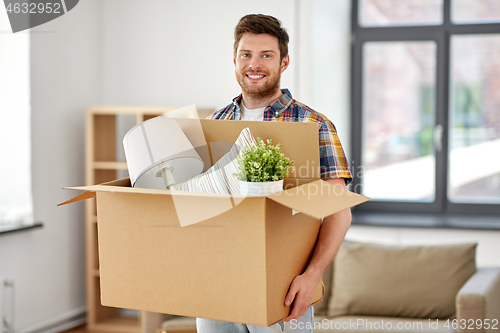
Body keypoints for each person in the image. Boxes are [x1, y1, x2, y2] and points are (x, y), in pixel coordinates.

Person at [197, 14, 353, 333]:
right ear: (235, 60)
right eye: (246, 54)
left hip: (282, 290)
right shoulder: (217, 121)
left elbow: (339, 211)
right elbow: (203, 201)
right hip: (216, 282)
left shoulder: (314, 125)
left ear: (283, 63)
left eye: (266, 55)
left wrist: (312, 277)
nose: (254, 64)